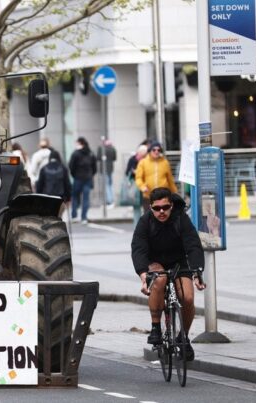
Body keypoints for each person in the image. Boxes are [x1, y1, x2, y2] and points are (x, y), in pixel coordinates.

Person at [131, 187, 206, 361]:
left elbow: (193, 245)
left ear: (171, 205)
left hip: (179, 263)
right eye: (157, 208)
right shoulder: (145, 221)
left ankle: (183, 337)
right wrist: (143, 274)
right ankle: (156, 327)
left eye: (165, 207)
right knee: (159, 279)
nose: (162, 212)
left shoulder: (181, 219)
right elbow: (138, 249)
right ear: (151, 207)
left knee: (187, 297)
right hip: (155, 262)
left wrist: (197, 272)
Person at [134, 141, 177, 211]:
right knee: (149, 218)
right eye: (154, 150)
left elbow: (170, 180)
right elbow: (138, 178)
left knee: (162, 218)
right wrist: (142, 187)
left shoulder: (165, 162)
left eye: (159, 150)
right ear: (150, 151)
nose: (156, 152)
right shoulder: (143, 162)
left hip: (163, 197)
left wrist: (175, 193)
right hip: (148, 196)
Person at [68, 137, 96, 224]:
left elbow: (71, 166)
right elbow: (94, 168)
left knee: (75, 196)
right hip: (88, 178)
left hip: (78, 178)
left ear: (80, 143)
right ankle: (84, 217)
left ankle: (74, 216)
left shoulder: (75, 153)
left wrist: (74, 175)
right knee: (86, 198)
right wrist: (91, 175)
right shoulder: (91, 153)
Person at [97, 138, 117, 207]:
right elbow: (114, 158)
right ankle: (111, 201)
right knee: (110, 185)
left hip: (104, 169)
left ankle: (109, 201)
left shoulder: (101, 148)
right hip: (110, 169)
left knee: (107, 185)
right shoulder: (112, 148)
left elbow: (98, 158)